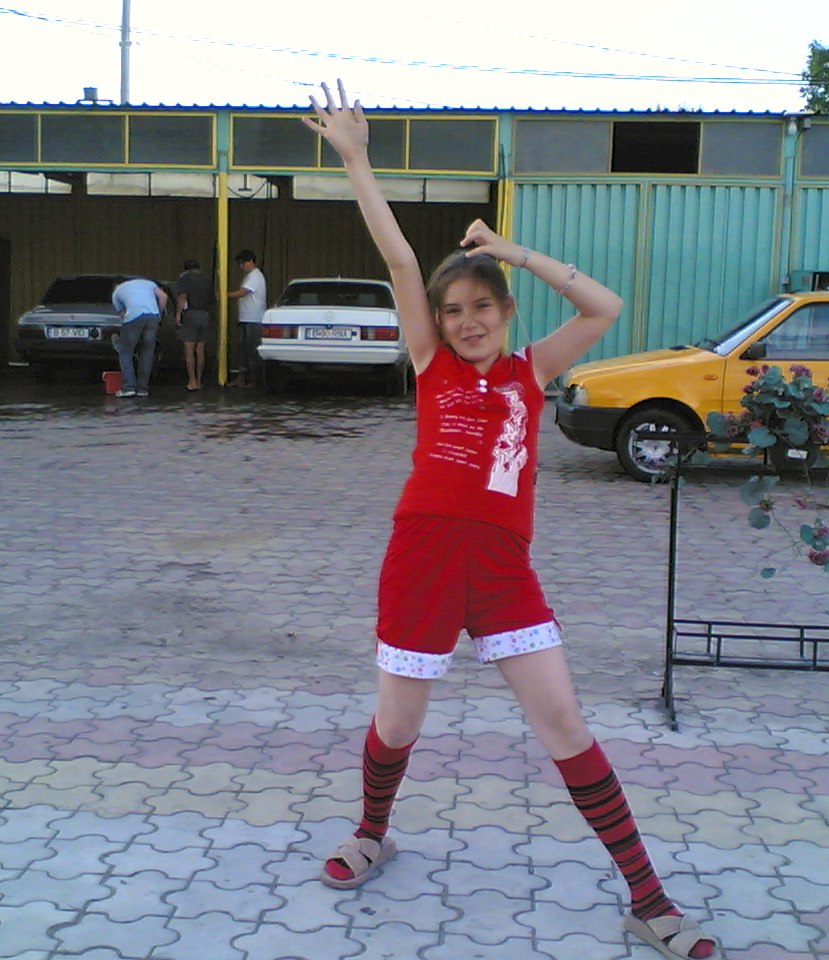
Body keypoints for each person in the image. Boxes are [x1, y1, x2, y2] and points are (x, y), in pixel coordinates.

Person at [302, 81, 720, 960]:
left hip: (503, 572)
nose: (466, 323)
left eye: (481, 307)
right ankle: (372, 831)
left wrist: (510, 251)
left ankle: (648, 899)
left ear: (505, 312)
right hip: (421, 559)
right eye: (453, 312)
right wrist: (356, 161)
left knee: (564, 724)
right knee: (398, 727)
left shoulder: (533, 370)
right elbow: (402, 263)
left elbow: (602, 307)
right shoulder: (432, 364)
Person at [110, 277, 168, 398]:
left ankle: (128, 388)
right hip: (153, 316)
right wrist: (159, 315)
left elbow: (123, 315)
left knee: (125, 351)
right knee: (147, 352)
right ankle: (142, 389)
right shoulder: (149, 283)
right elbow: (164, 297)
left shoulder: (116, 293)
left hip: (134, 317)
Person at [227, 249, 267, 387]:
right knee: (243, 348)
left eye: (242, 263)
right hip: (245, 318)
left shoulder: (255, 276)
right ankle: (242, 377)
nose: (241, 266)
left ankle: (255, 379)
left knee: (252, 349)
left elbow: (244, 292)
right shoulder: (250, 276)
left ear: (250, 261)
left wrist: (226, 295)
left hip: (254, 319)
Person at [175, 258, 214, 390]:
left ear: (186, 269)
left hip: (191, 314)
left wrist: (178, 314)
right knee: (200, 349)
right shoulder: (207, 280)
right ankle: (199, 380)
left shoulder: (185, 278)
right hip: (205, 315)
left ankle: (192, 381)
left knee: (189, 350)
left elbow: (182, 297)